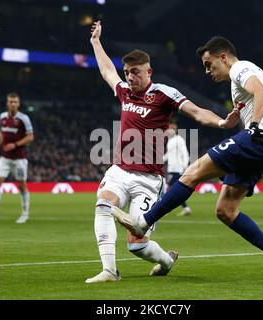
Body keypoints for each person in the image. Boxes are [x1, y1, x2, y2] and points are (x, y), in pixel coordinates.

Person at [112, 36, 263, 283]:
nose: (207, 71)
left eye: (209, 64)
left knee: (192, 172)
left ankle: (142, 224)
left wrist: (252, 127)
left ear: (223, 57)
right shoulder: (240, 79)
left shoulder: (241, 68)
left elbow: (260, 92)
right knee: (226, 210)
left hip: (258, 138)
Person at [86, 22, 240, 283]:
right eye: (127, 72)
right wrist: (95, 42)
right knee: (103, 205)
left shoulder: (163, 94)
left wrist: (223, 122)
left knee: (136, 243)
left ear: (149, 72)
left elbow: (196, 112)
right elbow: (107, 71)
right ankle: (110, 270)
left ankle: (166, 260)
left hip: (148, 179)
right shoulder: (124, 92)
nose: (129, 77)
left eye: (135, 72)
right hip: (120, 170)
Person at [0, 92, 34, 224]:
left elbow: (30, 137)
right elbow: (1, 132)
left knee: (22, 186)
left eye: (15, 102)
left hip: (19, 159)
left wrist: (15, 144)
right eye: (10, 101)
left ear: (18, 104)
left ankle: (25, 213)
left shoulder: (23, 118)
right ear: (7, 103)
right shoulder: (3, 116)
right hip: (4, 158)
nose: (12, 104)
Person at [163, 123, 192, 216]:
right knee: (175, 189)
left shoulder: (179, 140)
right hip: (172, 168)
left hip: (178, 169)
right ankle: (186, 207)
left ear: (174, 130)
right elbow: (168, 155)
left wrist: (185, 167)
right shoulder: (171, 141)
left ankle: (163, 209)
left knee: (169, 188)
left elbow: (185, 153)